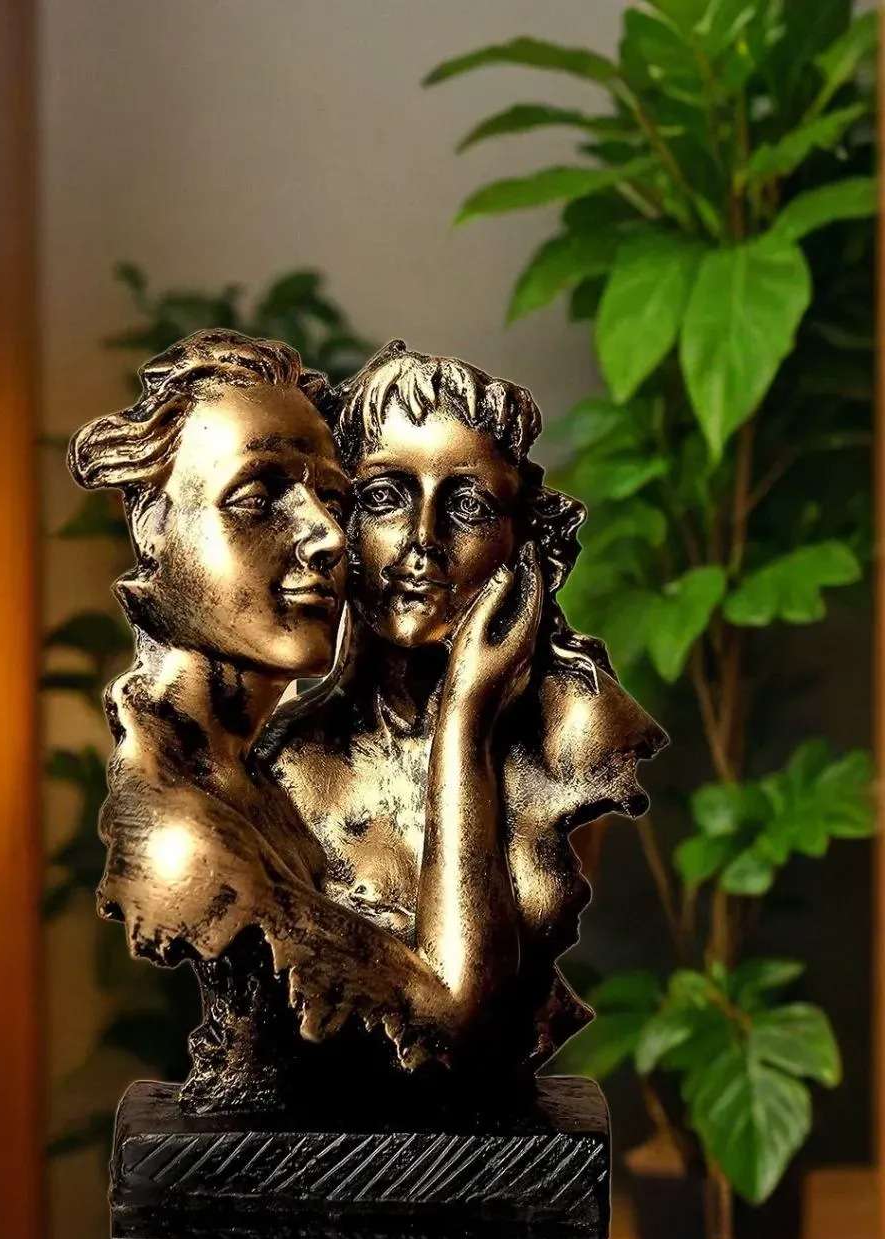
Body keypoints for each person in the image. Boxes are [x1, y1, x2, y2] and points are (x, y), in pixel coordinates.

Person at [68, 330, 531, 1113]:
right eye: (258, 497)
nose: (326, 538)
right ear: (152, 523)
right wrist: (466, 718)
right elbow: (455, 1029)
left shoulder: (251, 773)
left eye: (335, 501)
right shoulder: (184, 835)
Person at [271, 341, 668, 1065]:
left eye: (468, 505)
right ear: (335, 524)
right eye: (385, 497)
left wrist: (468, 714)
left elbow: (476, 1028)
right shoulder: (283, 763)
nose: (423, 541)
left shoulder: (577, 732)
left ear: (521, 542)